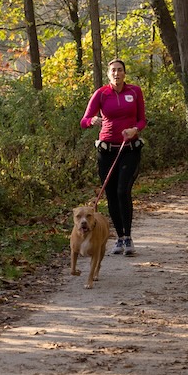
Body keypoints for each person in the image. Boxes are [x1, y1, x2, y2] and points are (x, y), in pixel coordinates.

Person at [80, 59, 147, 256]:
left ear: (124, 73)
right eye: (113, 71)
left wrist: (135, 129)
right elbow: (84, 121)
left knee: (122, 191)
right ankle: (119, 238)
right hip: (106, 150)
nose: (116, 74)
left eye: (120, 70)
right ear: (108, 74)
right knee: (110, 194)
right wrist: (92, 120)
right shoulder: (101, 93)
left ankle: (128, 237)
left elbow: (142, 119)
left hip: (129, 149)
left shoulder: (134, 91)